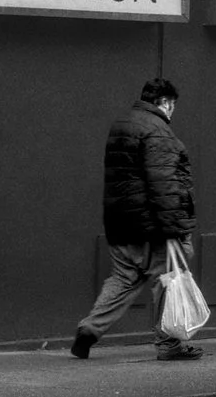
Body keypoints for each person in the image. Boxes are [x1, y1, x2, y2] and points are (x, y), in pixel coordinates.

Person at [69, 76, 204, 360]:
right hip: (153, 228)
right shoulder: (159, 132)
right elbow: (164, 184)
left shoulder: (122, 125)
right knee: (170, 279)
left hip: (121, 225)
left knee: (123, 278)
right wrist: (175, 231)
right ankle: (170, 343)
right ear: (165, 102)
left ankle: (89, 331)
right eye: (173, 105)